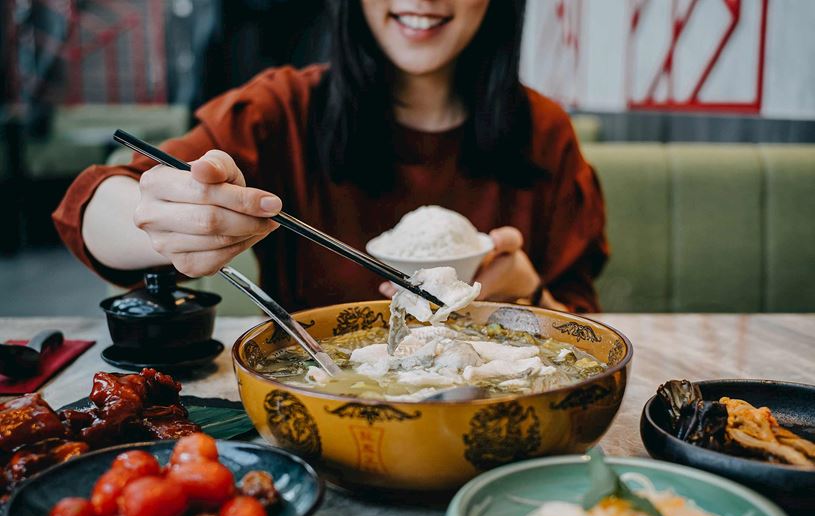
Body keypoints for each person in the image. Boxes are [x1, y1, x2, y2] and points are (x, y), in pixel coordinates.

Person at [53, 0, 608, 313]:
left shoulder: (542, 131)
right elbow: (91, 206)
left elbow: (587, 333)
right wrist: (168, 215)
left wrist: (529, 295)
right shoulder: (286, 108)